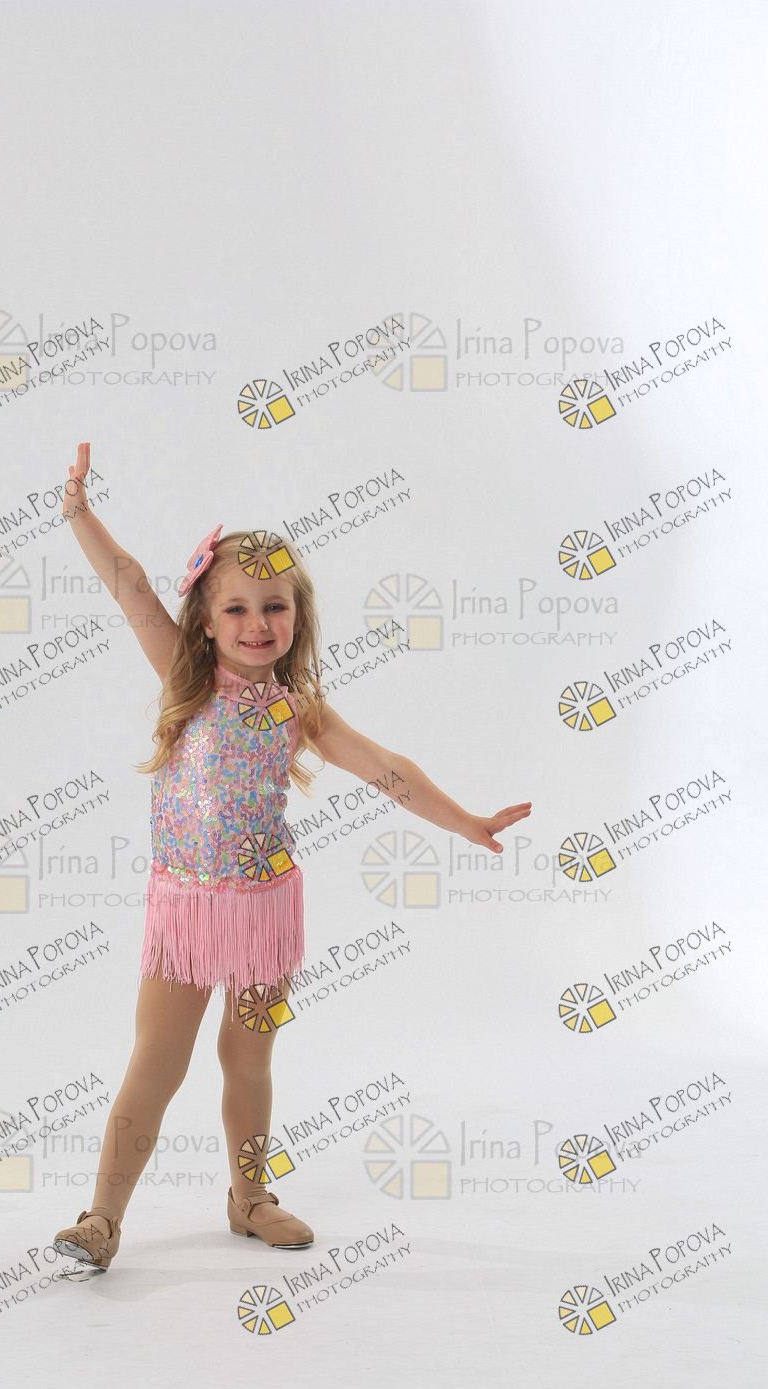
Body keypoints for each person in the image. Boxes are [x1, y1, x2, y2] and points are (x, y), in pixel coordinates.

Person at [52, 441, 532, 1271]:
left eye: (274, 607)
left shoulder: (299, 709)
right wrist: (79, 513)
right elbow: (129, 585)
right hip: (186, 907)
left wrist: (464, 823)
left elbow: (387, 770)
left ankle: (250, 1197)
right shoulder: (183, 677)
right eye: (237, 609)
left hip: (265, 909)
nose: (257, 624)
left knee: (249, 1059)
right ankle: (102, 1219)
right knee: (156, 1063)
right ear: (206, 620)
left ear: (298, 617)